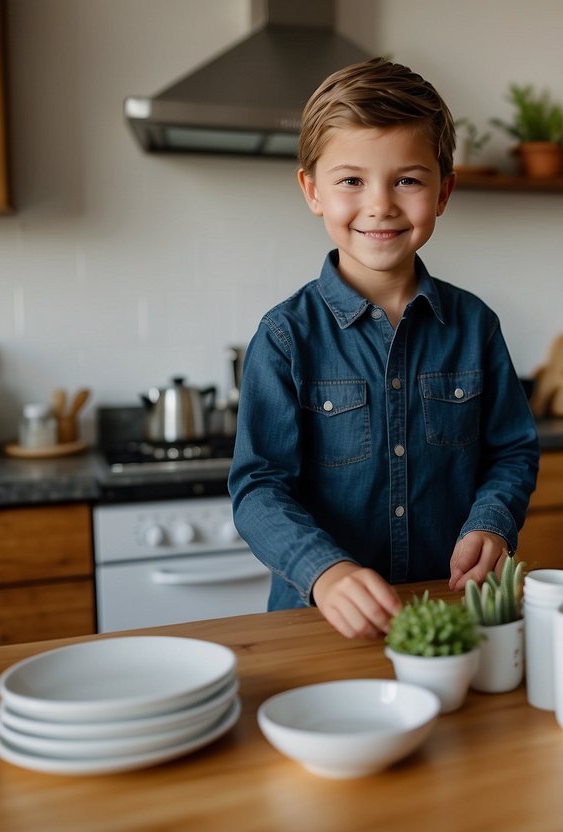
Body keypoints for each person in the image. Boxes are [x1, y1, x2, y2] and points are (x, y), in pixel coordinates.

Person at [228, 58, 540, 640]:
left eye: (408, 180)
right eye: (351, 180)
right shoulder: (283, 337)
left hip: (446, 617)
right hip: (317, 627)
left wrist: (493, 522)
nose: (381, 205)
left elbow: (512, 453)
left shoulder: (476, 326)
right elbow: (258, 488)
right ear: (312, 190)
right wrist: (324, 571)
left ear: (443, 191)